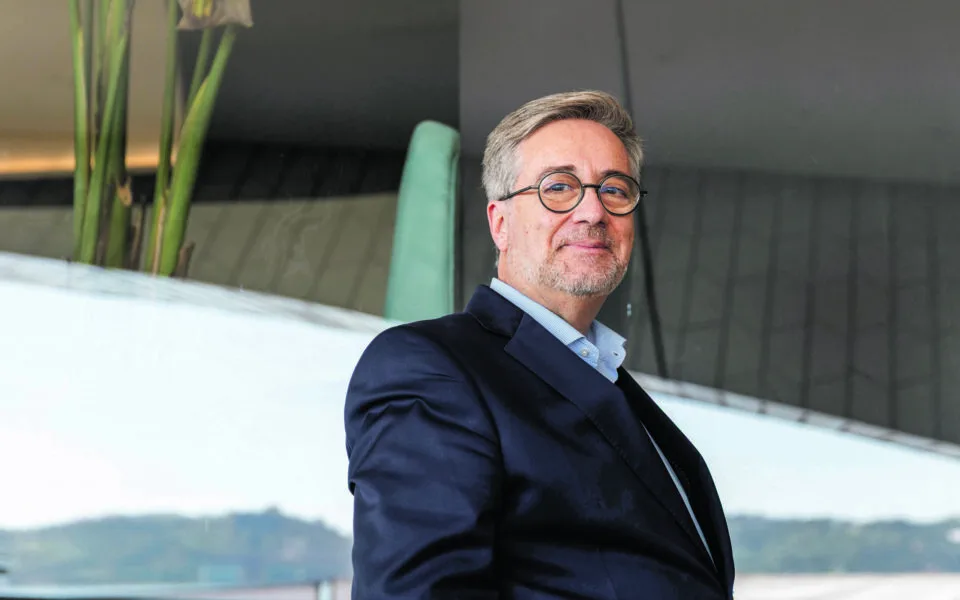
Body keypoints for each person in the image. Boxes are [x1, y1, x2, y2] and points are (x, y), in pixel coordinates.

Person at [344, 90, 735, 599]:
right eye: (559, 187)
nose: (593, 210)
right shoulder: (432, 369)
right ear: (500, 224)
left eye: (615, 189)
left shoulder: (608, 378)